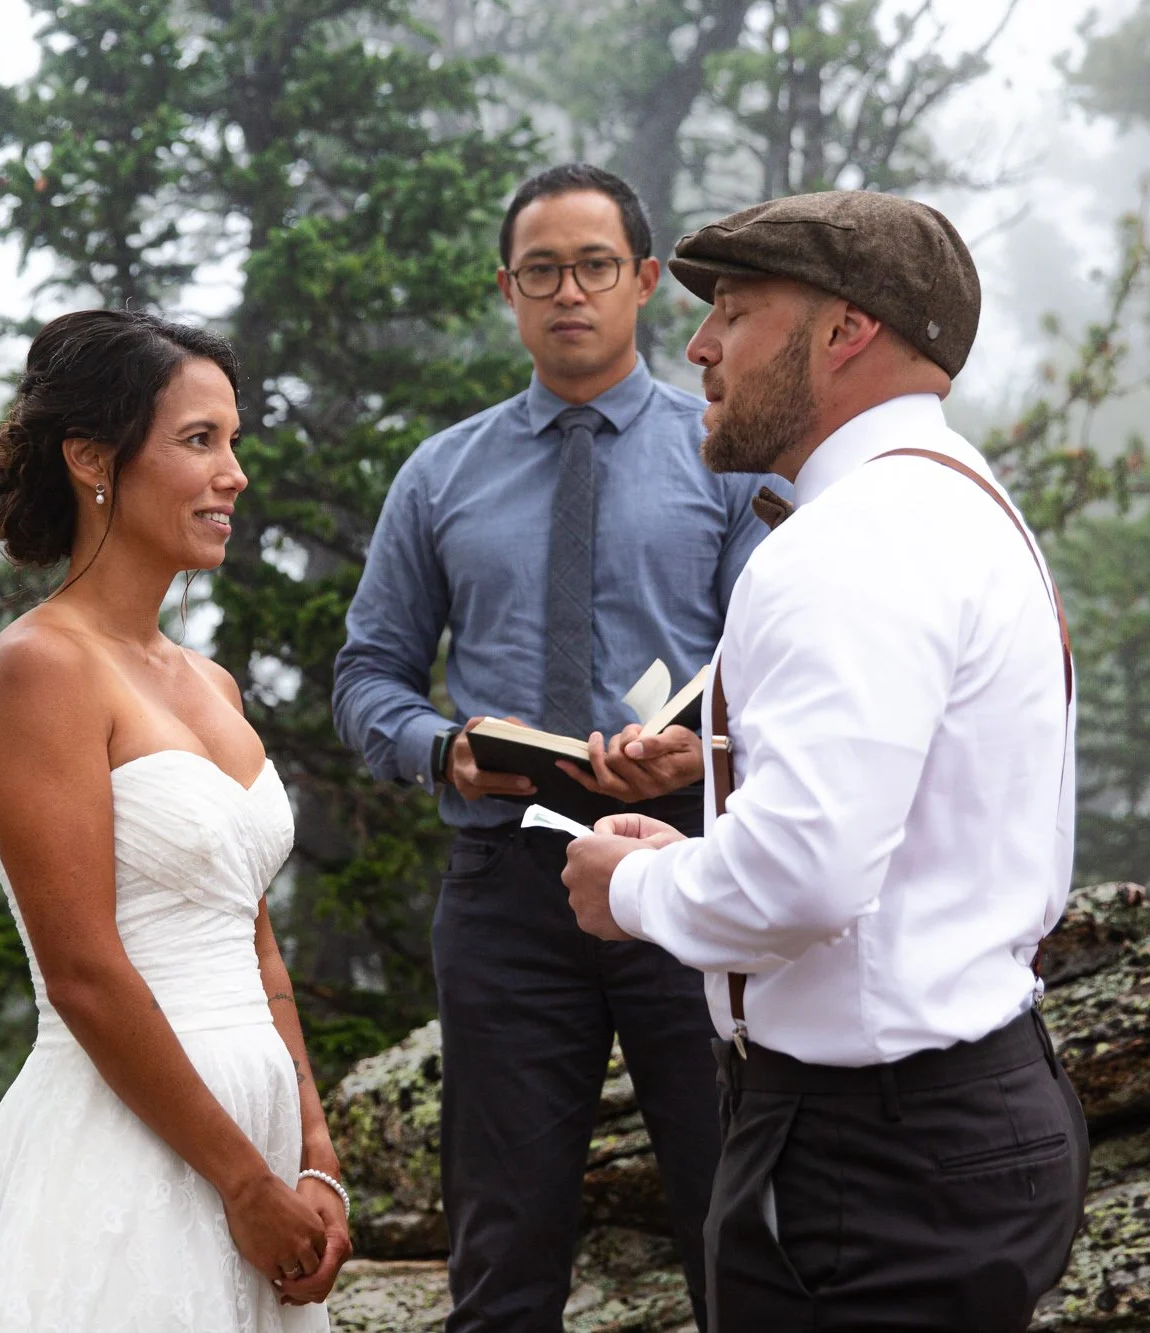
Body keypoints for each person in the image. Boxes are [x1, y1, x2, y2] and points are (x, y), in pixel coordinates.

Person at [560, 191, 1091, 1332]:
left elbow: (803, 877)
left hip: (871, 1156)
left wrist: (632, 888)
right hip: (961, 1110)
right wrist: (712, 839)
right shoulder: (961, 505)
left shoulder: (850, 543)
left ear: (844, 331)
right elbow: (878, 836)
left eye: (736, 313)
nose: (696, 345)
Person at [332, 164, 774, 1330]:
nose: (565, 292)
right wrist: (438, 749)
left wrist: (705, 751)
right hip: (503, 882)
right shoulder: (440, 474)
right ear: (506, 290)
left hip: (684, 864)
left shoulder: (726, 456)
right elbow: (365, 676)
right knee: (501, 1234)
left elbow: (779, 668)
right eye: (540, 271)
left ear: (640, 282)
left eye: (591, 267)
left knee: (729, 1209)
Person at [0, 310, 350, 1332]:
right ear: (92, 460)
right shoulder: (38, 668)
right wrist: (240, 1182)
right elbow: (81, 967)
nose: (234, 474)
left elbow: (256, 946)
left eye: (234, 442)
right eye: (199, 441)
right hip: (122, 1151)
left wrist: (312, 1151)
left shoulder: (210, 683)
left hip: (256, 1140)